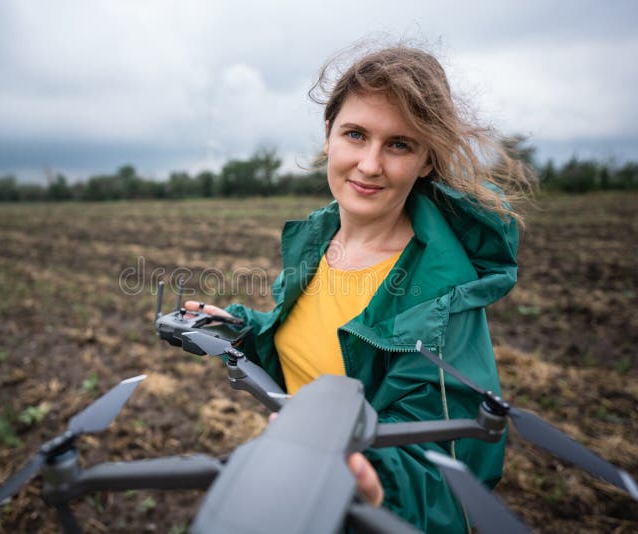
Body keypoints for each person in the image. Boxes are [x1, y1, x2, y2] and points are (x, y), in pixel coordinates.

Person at [186, 42, 532, 532]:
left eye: (399, 144)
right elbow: (311, 348)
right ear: (328, 135)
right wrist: (242, 330)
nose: (370, 164)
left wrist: (372, 477)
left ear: (426, 160)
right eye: (356, 134)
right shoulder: (318, 241)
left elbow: (446, 462)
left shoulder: (438, 295)